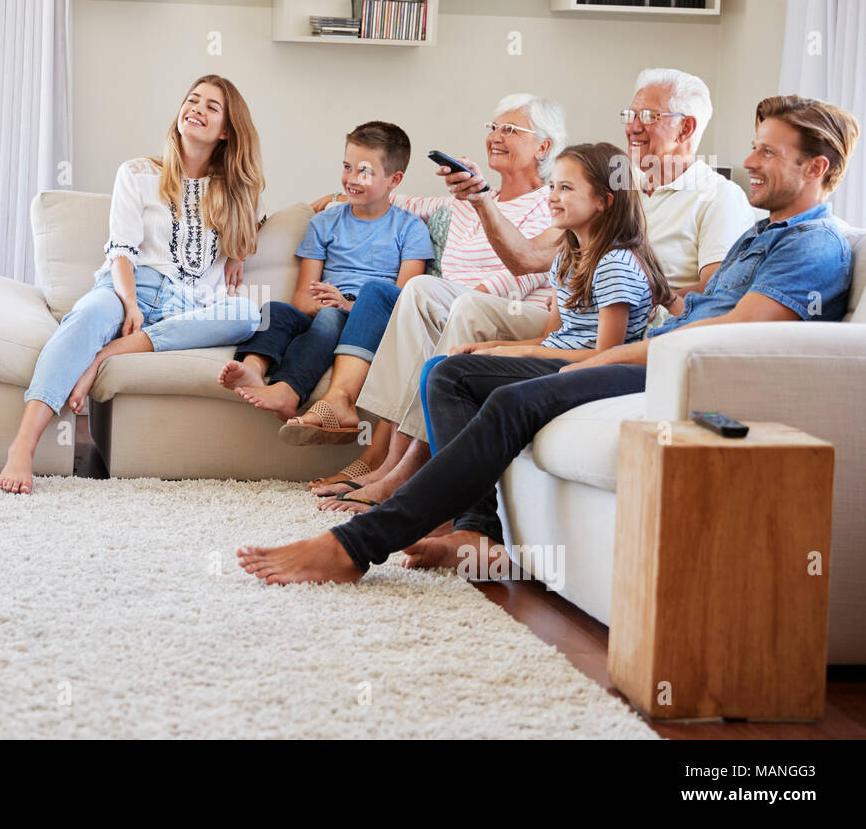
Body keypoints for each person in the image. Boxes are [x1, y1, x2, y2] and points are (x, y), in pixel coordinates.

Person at [237, 94, 858, 584]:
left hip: (674, 368)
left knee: (509, 399)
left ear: (816, 167)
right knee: (451, 375)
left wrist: (610, 353)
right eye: (754, 147)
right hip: (658, 353)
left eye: (767, 153)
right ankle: (478, 532)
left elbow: (731, 335)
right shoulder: (763, 233)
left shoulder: (812, 245)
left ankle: (354, 547)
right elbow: (698, 305)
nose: (749, 161)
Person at [310, 67, 756, 510]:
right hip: (574, 318)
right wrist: (481, 201)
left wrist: (646, 289)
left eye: (648, 115)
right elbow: (530, 258)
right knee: (425, 291)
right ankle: (385, 460)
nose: (632, 125)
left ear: (686, 127)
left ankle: (410, 475)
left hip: (632, 330)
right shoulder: (619, 187)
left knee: (462, 317)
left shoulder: (717, 197)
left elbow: (713, 294)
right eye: (629, 112)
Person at [0, 74, 265, 494]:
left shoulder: (235, 192)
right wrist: (129, 304)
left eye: (212, 107)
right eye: (192, 100)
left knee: (248, 314)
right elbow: (121, 249)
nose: (196, 108)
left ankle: (103, 356)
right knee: (86, 317)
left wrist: (240, 253)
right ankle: (23, 447)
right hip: (130, 289)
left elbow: (262, 220)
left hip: (189, 308)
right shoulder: (138, 173)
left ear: (227, 131)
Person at [282, 95, 565, 483]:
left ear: (543, 146)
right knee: (383, 294)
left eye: (510, 130)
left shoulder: (552, 206)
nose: (496, 136)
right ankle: (350, 417)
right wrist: (339, 197)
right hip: (438, 303)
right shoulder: (464, 201)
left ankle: (381, 457)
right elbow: (398, 198)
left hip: (499, 312)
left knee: (416, 298)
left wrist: (456, 294)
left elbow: (523, 272)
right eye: (493, 127)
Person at [216, 122, 433, 422]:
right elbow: (302, 299)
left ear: (394, 179)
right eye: (347, 167)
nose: (351, 179)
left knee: (332, 317)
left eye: (365, 171)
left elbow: (402, 301)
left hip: (368, 318)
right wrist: (323, 304)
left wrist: (346, 306)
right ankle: (253, 368)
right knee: (275, 311)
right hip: (322, 309)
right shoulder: (324, 223)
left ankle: (288, 391)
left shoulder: (411, 230)